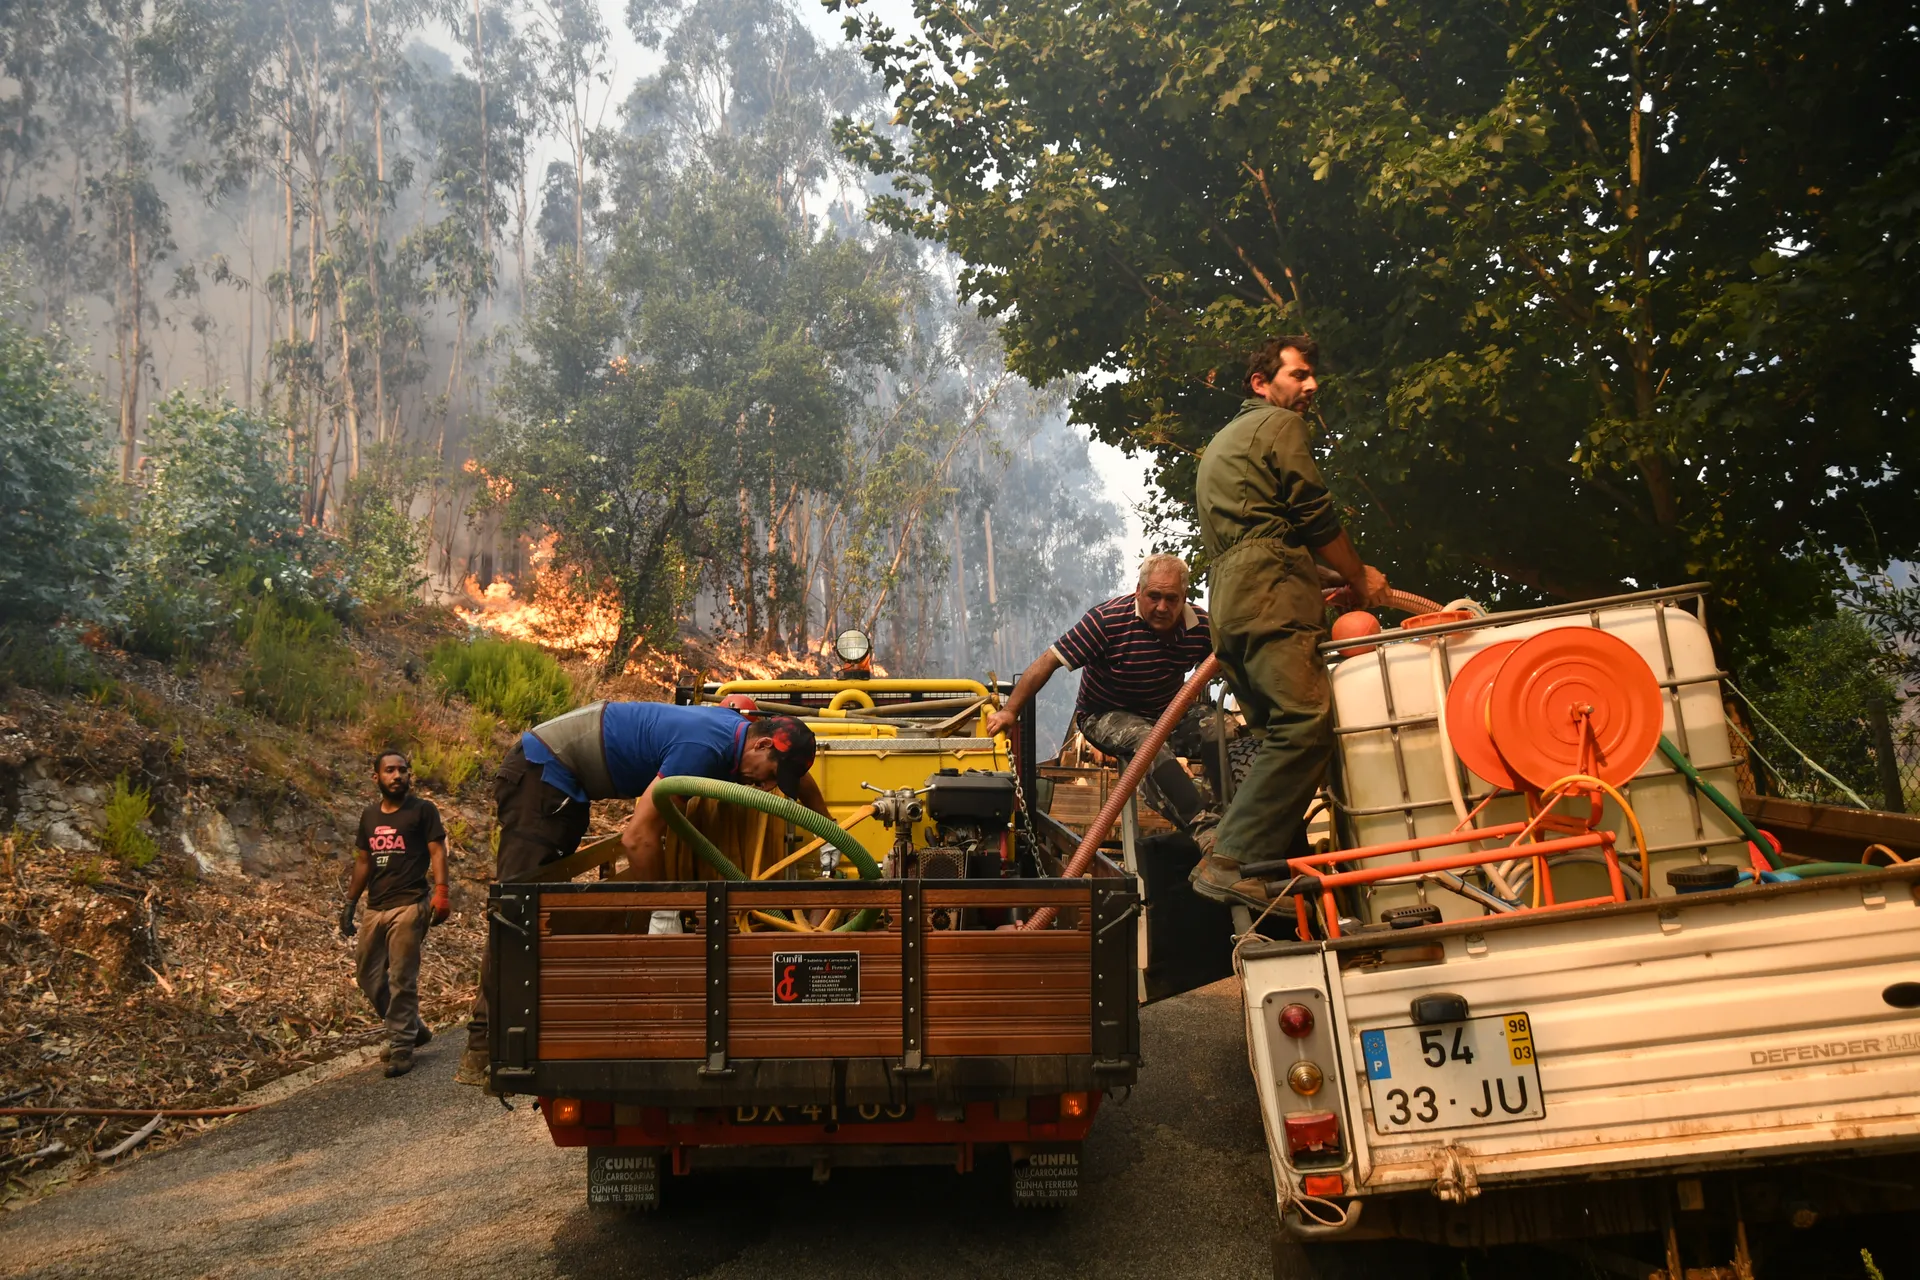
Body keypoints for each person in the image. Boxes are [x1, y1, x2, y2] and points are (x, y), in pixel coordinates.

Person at [455, 702, 825, 1087]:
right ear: (763, 744)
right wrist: (663, 911)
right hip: (541, 771)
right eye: (771, 774)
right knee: (518, 911)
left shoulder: (740, 732)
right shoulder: (702, 748)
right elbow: (636, 839)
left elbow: (803, 784)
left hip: (567, 782)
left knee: (532, 909)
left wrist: (827, 829)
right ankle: (482, 1044)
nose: (767, 786)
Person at [1190, 335, 1388, 905]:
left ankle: (1269, 869)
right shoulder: (1280, 427)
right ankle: (1228, 862)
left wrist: (1314, 578)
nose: (1311, 387)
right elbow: (1311, 511)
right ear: (1261, 383)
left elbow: (1258, 533)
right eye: (1298, 375)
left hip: (1233, 603)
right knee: (1305, 725)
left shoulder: (1222, 446)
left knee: (1280, 738)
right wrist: (1357, 577)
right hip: (1271, 594)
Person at [986, 554, 1220, 843]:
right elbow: (1049, 660)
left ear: (1184, 596)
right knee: (1147, 739)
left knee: (1220, 727)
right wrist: (1010, 711)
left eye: (1171, 599)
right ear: (1138, 591)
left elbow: (1232, 664)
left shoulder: (1201, 627)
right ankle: (1203, 829)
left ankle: (1225, 813)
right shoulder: (1107, 620)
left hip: (1166, 712)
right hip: (1104, 714)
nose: (1162, 607)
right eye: (1154, 596)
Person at [340, 752, 451, 1079]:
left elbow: (437, 851)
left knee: (401, 977)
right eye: (390, 770)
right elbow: (363, 861)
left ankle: (402, 1047)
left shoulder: (422, 811)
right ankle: (412, 1028)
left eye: (403, 770)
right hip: (376, 907)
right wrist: (350, 903)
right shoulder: (369, 816)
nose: (398, 775)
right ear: (376, 777)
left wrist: (442, 892)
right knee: (368, 976)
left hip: (410, 904)